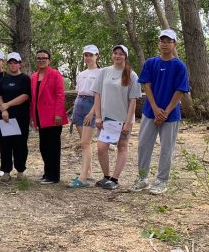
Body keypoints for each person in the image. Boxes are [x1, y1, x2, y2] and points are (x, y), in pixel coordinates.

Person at [131, 29, 190, 195]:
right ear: (159, 43)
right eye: (162, 41)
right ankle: (142, 178)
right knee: (144, 146)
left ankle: (162, 181)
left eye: (168, 41)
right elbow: (147, 86)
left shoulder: (179, 66)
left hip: (170, 115)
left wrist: (165, 112)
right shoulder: (151, 63)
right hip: (150, 112)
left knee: (166, 148)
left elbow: (180, 90)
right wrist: (156, 109)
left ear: (174, 44)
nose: (164, 44)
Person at [92, 45, 141, 190]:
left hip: (123, 120)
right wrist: (98, 116)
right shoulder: (104, 72)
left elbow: (133, 100)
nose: (117, 56)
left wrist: (128, 122)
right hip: (106, 119)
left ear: (125, 56)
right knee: (101, 147)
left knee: (122, 146)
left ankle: (115, 179)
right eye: (115, 53)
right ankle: (106, 176)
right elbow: (97, 94)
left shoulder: (132, 75)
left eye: (121, 54)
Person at [30, 49, 68, 184]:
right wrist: (32, 116)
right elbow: (33, 99)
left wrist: (58, 113)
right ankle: (47, 172)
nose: (41, 60)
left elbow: (60, 95)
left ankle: (54, 176)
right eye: (38, 58)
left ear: (49, 60)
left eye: (43, 58)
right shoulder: (34, 77)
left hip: (53, 116)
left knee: (53, 147)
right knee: (43, 146)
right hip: (40, 116)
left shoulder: (55, 74)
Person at [0, 52, 31, 181]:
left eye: (15, 62)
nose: (13, 65)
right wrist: (3, 109)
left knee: (20, 144)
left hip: (21, 117)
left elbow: (25, 96)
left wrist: (7, 105)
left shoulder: (25, 79)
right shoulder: (3, 79)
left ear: (20, 64)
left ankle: (20, 170)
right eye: (10, 63)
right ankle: (6, 171)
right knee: (5, 144)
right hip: (5, 118)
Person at [69, 45, 100, 188]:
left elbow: (100, 95)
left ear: (96, 56)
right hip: (79, 103)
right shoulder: (81, 73)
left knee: (85, 143)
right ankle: (88, 174)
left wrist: (93, 111)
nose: (88, 57)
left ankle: (82, 178)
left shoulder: (100, 73)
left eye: (91, 55)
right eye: (86, 55)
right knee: (83, 142)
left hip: (91, 104)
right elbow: (78, 91)